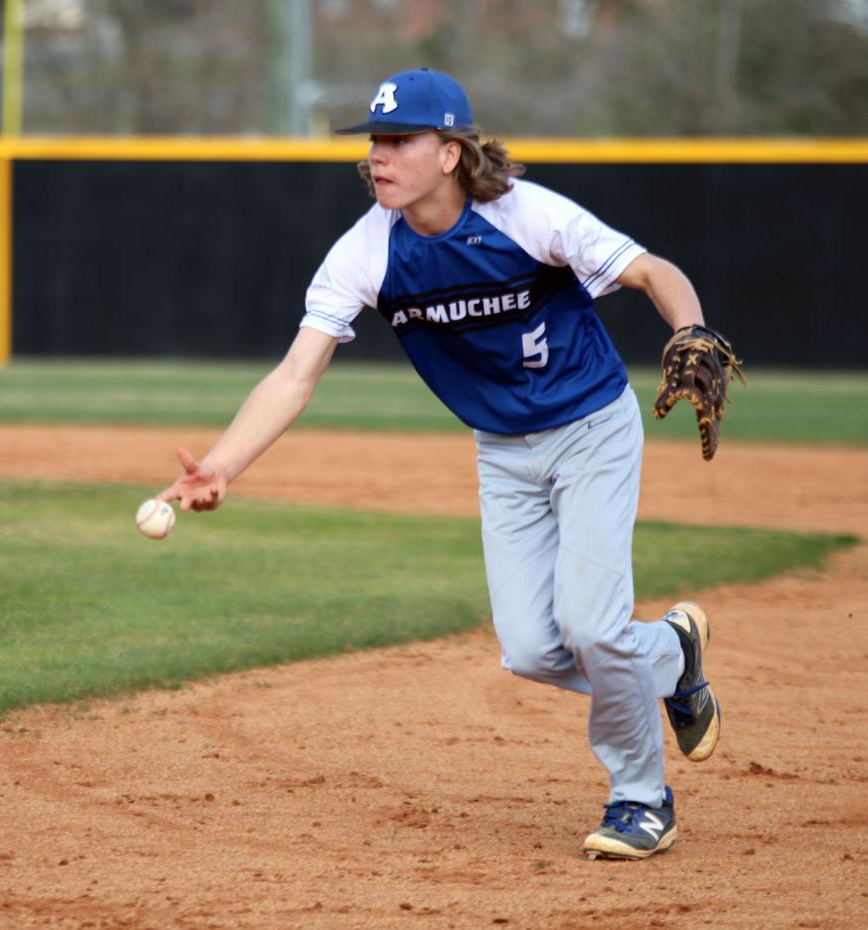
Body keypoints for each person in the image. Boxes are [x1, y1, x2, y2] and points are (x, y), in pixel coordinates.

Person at [155, 68, 721, 861]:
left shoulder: (526, 216)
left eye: (398, 141)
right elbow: (295, 375)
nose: (378, 157)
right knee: (530, 648)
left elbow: (652, 271)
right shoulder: (367, 252)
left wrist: (689, 329)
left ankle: (639, 798)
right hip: (503, 452)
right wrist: (220, 466)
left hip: (591, 427)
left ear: (451, 152)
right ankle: (670, 653)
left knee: (590, 625)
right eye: (375, 142)